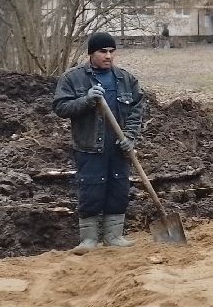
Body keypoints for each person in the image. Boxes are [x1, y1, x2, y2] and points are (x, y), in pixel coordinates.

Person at [53, 32, 145, 253]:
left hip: (119, 148)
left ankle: (114, 236)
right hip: (89, 146)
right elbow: (60, 107)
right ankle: (89, 239)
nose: (108, 56)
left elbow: (136, 110)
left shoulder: (126, 79)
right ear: (91, 53)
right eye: (102, 51)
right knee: (91, 189)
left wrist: (130, 137)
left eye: (112, 51)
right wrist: (87, 100)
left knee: (118, 188)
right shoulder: (73, 78)